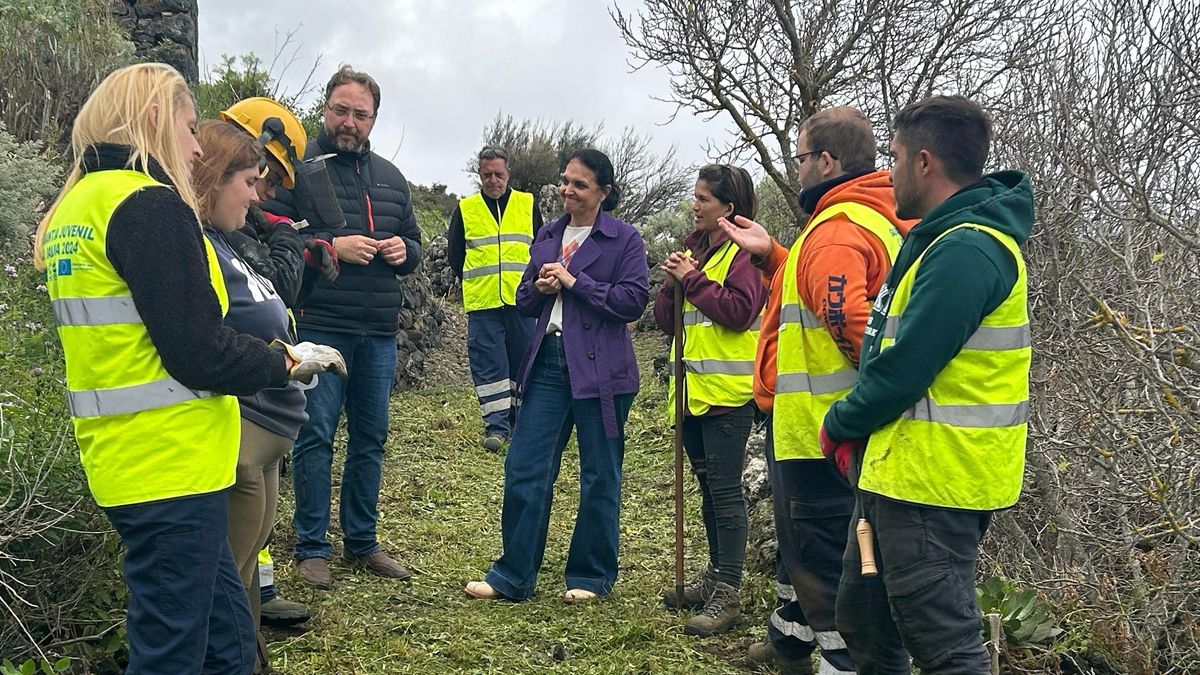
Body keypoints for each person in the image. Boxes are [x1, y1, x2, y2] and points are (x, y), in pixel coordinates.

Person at [34, 62, 344, 675]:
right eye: (187, 125)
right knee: (172, 652)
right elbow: (198, 350)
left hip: (131, 461)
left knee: (226, 642)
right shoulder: (149, 205)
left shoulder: (79, 207)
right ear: (154, 119)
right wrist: (284, 362)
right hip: (170, 465)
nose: (198, 144)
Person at [821, 96, 1032, 674]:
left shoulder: (968, 248)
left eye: (893, 158)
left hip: (935, 484)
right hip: (899, 471)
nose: (886, 173)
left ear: (923, 162)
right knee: (867, 625)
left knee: (945, 646)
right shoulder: (939, 240)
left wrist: (839, 421)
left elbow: (907, 367)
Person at [719, 107, 911, 675]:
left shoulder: (835, 229)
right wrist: (775, 254)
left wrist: (866, 402)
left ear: (826, 161)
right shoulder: (874, 218)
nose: (796, 168)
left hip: (818, 435)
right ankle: (792, 643)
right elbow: (821, 289)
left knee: (823, 569)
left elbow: (847, 319)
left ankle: (836, 663)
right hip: (842, 435)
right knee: (810, 560)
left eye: (800, 157)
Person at [464, 148, 649, 602]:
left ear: (604, 192)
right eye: (565, 180)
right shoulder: (548, 233)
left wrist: (574, 282)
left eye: (580, 184)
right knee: (524, 466)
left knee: (599, 475)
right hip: (547, 361)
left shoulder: (625, 240)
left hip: (602, 370)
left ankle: (589, 577)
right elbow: (525, 299)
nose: (568, 189)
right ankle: (512, 575)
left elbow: (632, 302)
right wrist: (539, 287)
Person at [264, 64, 423, 589]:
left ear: (374, 119)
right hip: (320, 325)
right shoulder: (298, 171)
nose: (349, 121)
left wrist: (405, 253)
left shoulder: (392, 178)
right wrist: (332, 248)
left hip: (378, 330)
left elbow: (415, 244)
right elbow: (273, 237)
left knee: (371, 438)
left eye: (360, 113)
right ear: (325, 109)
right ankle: (312, 546)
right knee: (315, 438)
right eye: (341, 110)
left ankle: (362, 541)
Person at [219, 96, 332, 628]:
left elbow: (277, 297)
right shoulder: (219, 225)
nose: (266, 190)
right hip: (245, 406)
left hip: (268, 409)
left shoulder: (242, 217)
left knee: (253, 534)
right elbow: (274, 285)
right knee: (233, 547)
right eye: (261, 179)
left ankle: (256, 604)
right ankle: (243, 622)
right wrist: (289, 236)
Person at [651, 164, 765, 636]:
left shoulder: (744, 256)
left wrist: (693, 281)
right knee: (706, 491)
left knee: (725, 493)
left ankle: (729, 591)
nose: (694, 205)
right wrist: (672, 284)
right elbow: (666, 321)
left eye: (703, 199)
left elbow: (740, 313)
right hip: (693, 393)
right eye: (694, 197)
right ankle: (715, 575)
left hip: (729, 397)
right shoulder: (694, 248)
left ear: (728, 209)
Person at [446, 146, 542, 451]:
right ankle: (496, 426)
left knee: (524, 362)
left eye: (499, 174)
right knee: (489, 367)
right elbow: (455, 254)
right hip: (483, 302)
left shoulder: (528, 204)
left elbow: (541, 248)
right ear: (479, 174)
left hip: (522, 301)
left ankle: (521, 421)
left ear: (508, 173)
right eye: (487, 175)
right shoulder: (466, 209)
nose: (493, 180)